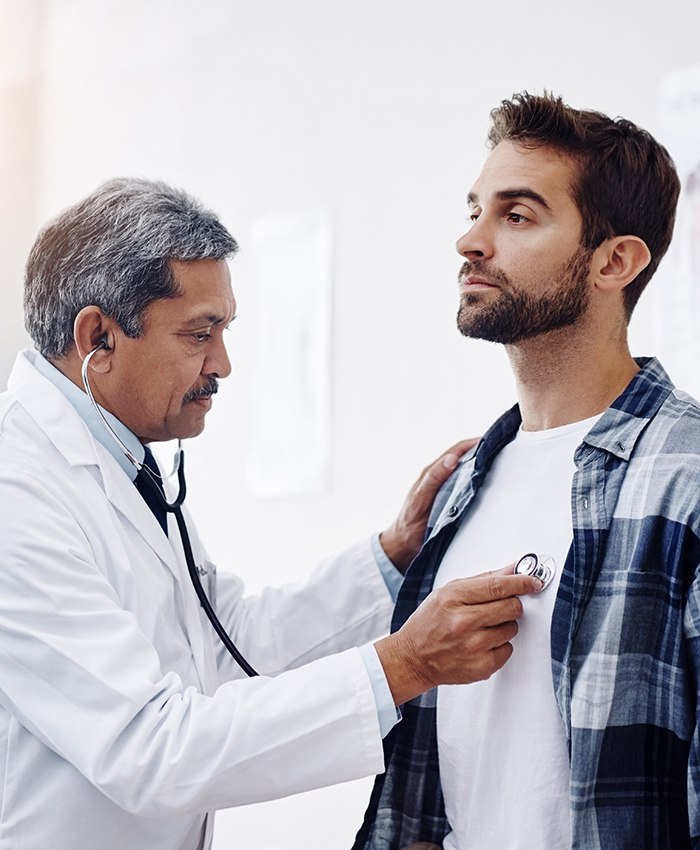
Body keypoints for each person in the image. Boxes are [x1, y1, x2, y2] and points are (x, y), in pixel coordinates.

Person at [0, 178, 540, 850]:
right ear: (98, 337)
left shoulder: (122, 463)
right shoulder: (18, 494)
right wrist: (405, 665)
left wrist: (390, 557)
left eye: (224, 330)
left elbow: (230, 644)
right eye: (201, 333)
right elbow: (148, 747)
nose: (222, 364)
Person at [353, 92, 700, 850]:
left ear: (615, 261)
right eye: (474, 208)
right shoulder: (461, 486)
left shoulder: (688, 479)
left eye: (516, 216)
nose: (468, 241)